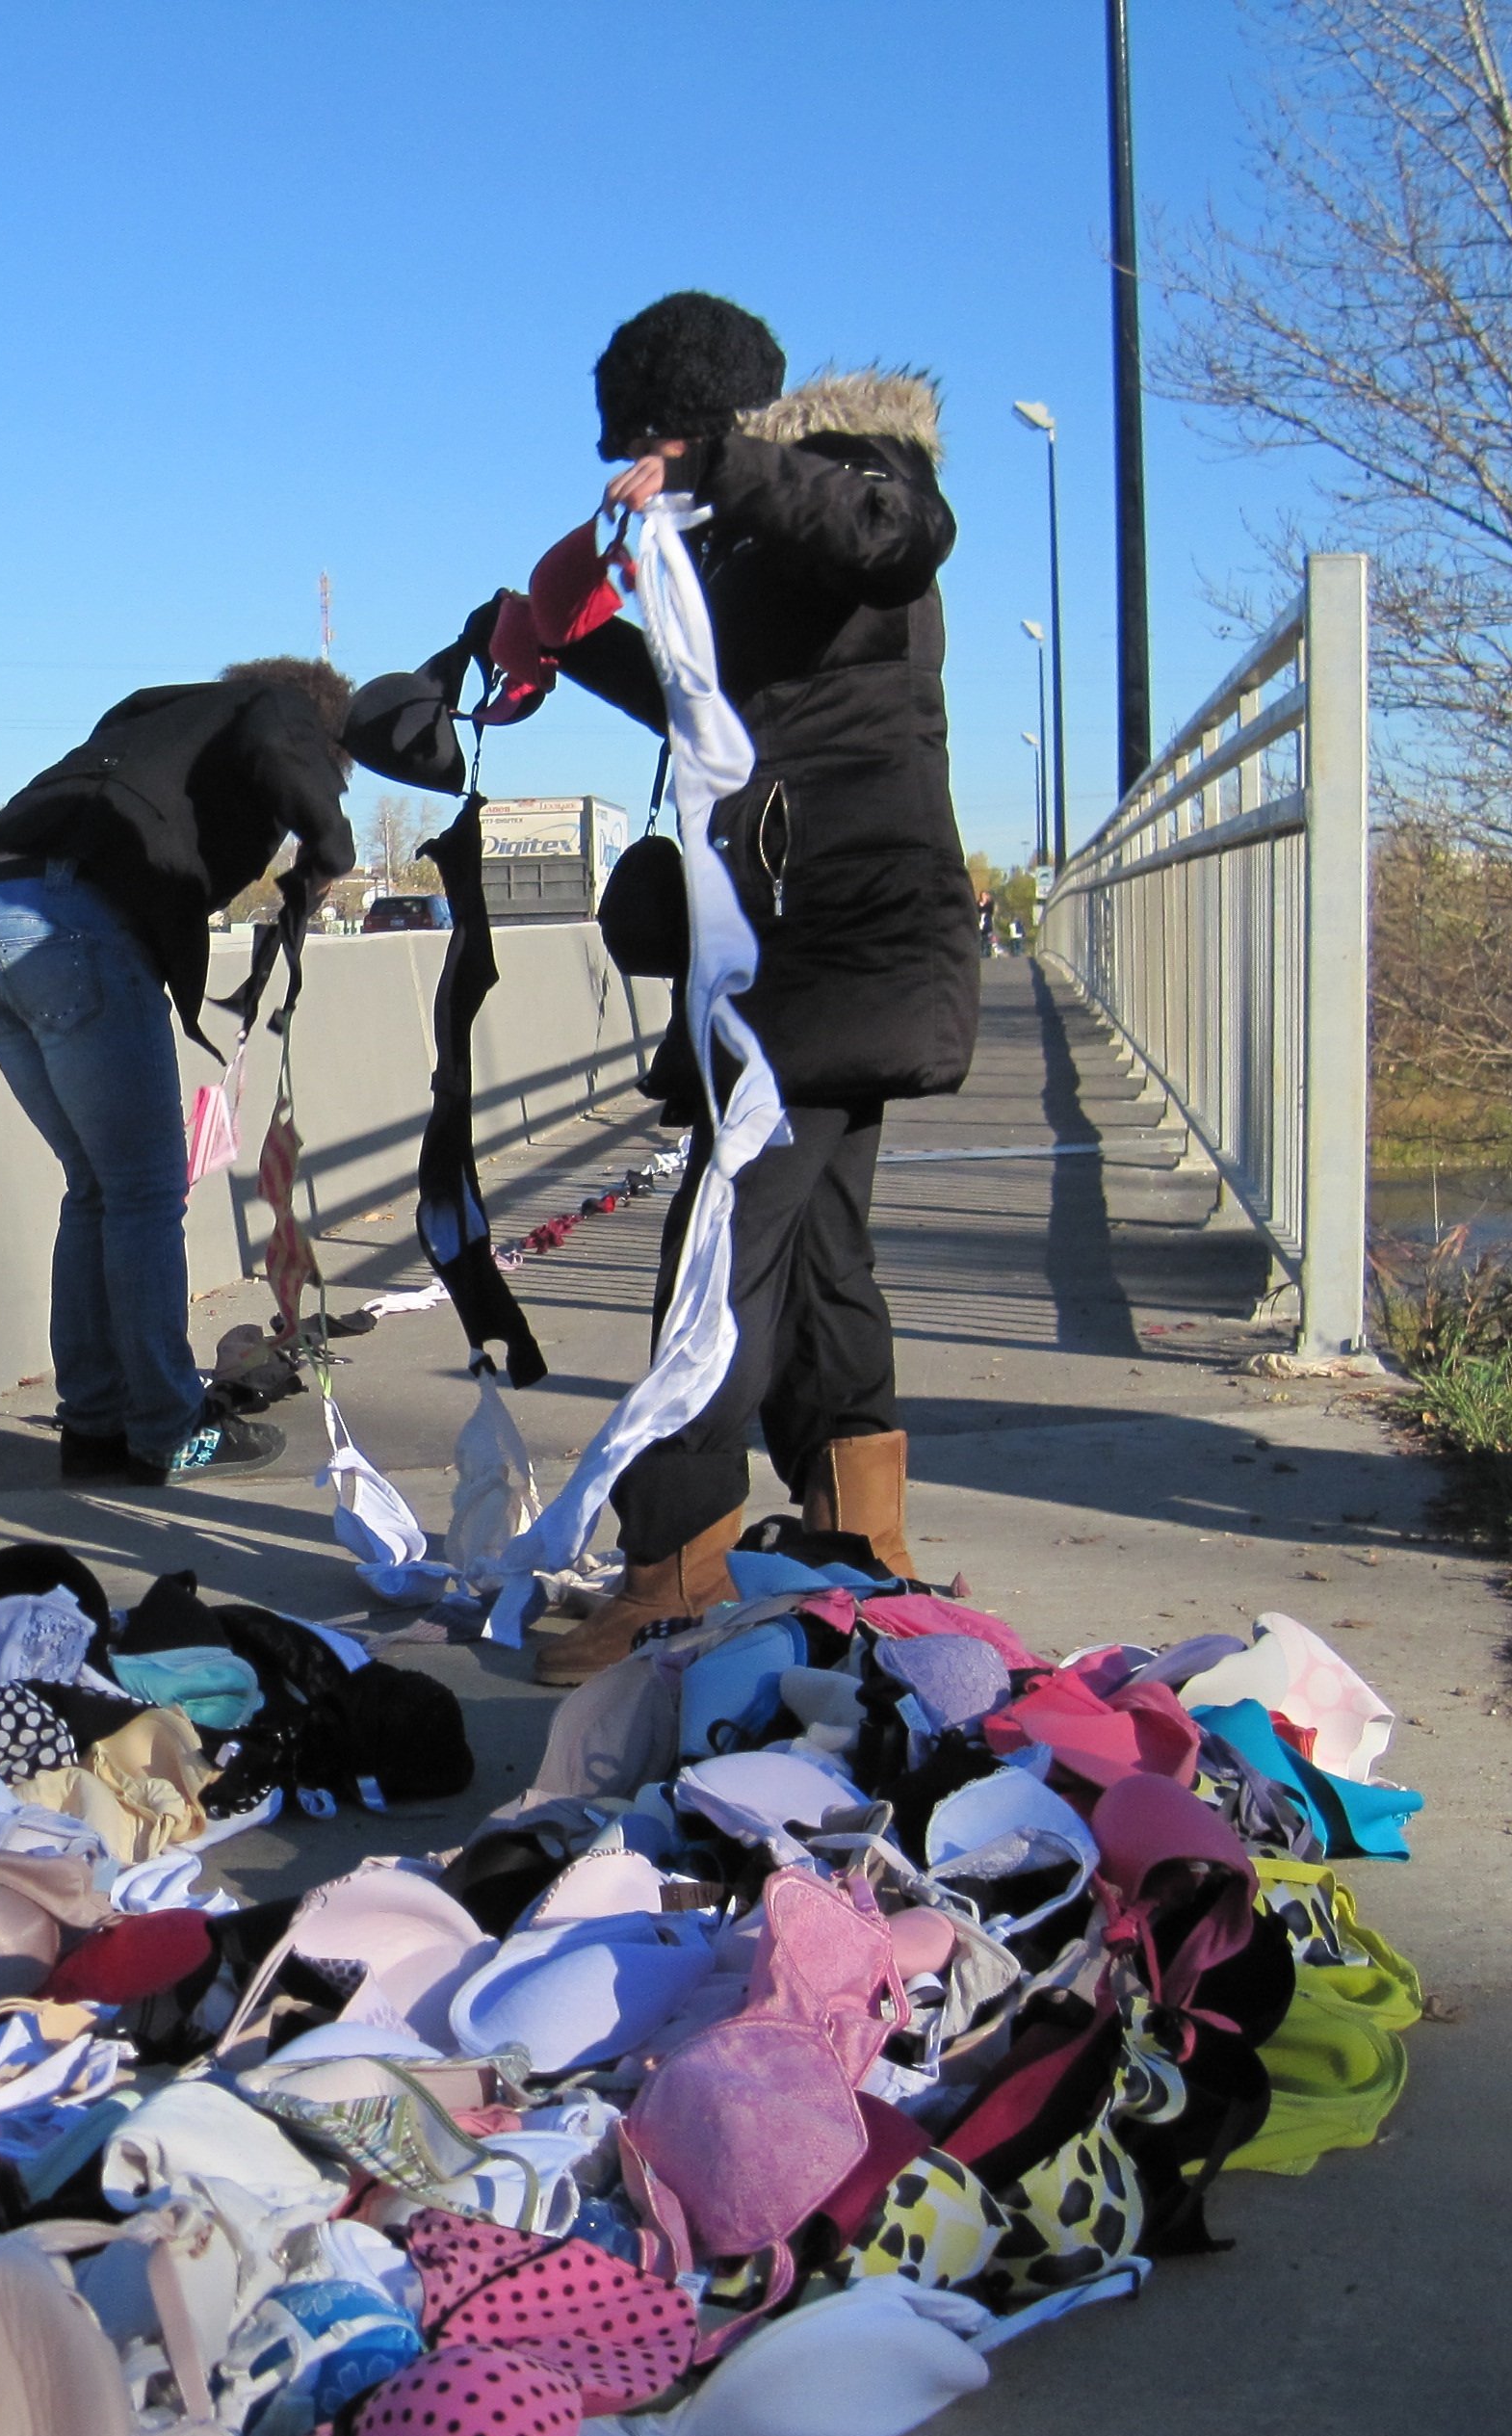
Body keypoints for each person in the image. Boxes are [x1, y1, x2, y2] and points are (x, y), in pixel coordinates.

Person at [508, 294, 978, 1679]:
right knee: (821, 1259)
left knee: (716, 1260)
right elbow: (720, 700)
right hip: (820, 963)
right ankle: (864, 1552)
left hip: (837, 955)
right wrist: (552, 638)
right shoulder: (774, 543)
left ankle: (674, 1572)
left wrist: (714, 471)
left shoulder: (865, 479)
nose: (631, 470)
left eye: (644, 442)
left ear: (694, 423)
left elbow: (897, 537)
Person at [0, 660, 357, 1487]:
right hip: (68, 921)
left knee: (95, 1186)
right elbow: (279, 740)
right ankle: (169, 1428)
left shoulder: (155, 713)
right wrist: (328, 843)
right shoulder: (274, 709)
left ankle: (94, 1428)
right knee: (143, 1192)